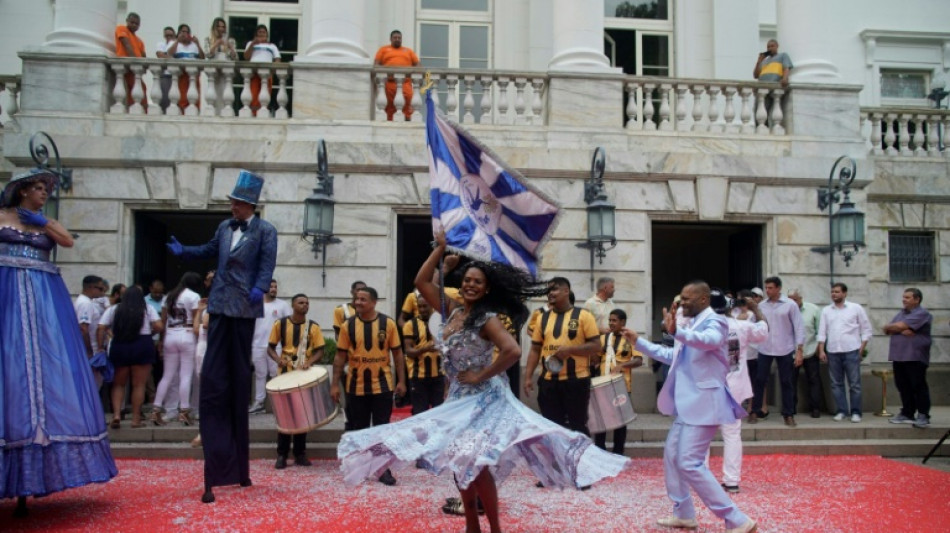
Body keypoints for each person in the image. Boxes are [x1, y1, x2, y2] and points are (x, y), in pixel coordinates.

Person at [338, 232, 629, 533]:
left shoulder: (486, 318)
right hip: (458, 399)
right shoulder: (452, 310)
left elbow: (513, 351)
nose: (471, 285)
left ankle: (493, 529)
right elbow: (422, 282)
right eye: (467, 280)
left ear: (487, 288)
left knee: (475, 464)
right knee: (460, 462)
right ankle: (472, 526)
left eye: (478, 281)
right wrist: (439, 250)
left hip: (486, 398)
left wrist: (480, 375)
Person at [0, 169, 117, 516]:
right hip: (7, 296)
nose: (42, 194)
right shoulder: (2, 217)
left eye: (44, 190)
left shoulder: (45, 222)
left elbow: (66, 241)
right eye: (37, 189)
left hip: (41, 299)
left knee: (45, 370)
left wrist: (41, 221)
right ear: (22, 191)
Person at [166, 170, 278, 504]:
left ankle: (239, 469)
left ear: (250, 205)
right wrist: (184, 250)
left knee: (239, 373)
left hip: (245, 306)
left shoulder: (265, 230)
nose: (232, 207)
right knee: (215, 376)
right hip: (220, 304)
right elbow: (209, 250)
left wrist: (260, 286)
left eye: (237, 203)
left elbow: (267, 262)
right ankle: (217, 464)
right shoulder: (224, 228)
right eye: (231, 202)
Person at [621, 281, 756, 533]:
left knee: (689, 462)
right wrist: (638, 342)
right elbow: (674, 356)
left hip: (705, 404)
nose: (681, 303)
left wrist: (677, 333)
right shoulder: (691, 324)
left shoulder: (716, 322)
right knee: (673, 458)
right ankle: (684, 513)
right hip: (687, 405)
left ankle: (736, 519)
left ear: (703, 299)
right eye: (681, 298)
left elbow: (709, 341)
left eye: (686, 298)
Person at [332, 286, 406, 486]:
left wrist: (401, 381)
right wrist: (334, 385)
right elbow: (339, 356)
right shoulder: (347, 326)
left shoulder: (387, 323)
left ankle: (383, 470)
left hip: (382, 385)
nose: (358, 303)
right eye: (357, 299)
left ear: (374, 302)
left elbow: (398, 354)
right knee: (360, 428)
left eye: (363, 300)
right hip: (355, 386)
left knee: (382, 429)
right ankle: (362, 468)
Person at [524, 277, 601, 438]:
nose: (550, 293)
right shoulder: (541, 318)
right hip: (548, 382)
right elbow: (535, 349)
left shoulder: (583, 316)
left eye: (554, 289)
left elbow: (596, 346)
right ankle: (557, 462)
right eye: (548, 290)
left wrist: (570, 350)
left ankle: (582, 461)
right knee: (551, 426)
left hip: (576, 381)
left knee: (578, 425)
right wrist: (528, 377)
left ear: (567, 291)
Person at [717, 291, 768, 494]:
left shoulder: (701, 326)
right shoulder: (742, 326)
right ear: (730, 308)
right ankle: (731, 481)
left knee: (701, 434)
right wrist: (756, 309)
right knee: (732, 433)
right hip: (734, 386)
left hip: (708, 387)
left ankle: (700, 478)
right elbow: (764, 331)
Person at [267, 294, 325, 469]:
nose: (304, 305)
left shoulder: (313, 327)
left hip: (302, 374)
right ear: (293, 305)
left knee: (303, 414)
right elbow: (270, 347)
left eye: (307, 303)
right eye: (301, 303)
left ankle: (300, 453)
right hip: (285, 374)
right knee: (284, 415)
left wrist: (310, 362)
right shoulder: (281, 324)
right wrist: (278, 360)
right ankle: (281, 454)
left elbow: (320, 350)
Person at [97, 285, 164, 429]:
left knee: (119, 384)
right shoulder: (147, 309)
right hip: (142, 344)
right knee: (139, 385)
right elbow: (159, 325)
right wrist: (151, 334)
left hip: (120, 345)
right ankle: (135, 419)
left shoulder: (114, 309)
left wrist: (100, 346)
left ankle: (116, 415)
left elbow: (101, 327)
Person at [150, 272, 202, 426]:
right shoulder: (194, 296)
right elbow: (195, 321)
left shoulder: (169, 296)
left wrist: (161, 340)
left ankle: (156, 410)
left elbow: (164, 320)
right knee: (186, 376)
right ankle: (184, 411)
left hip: (170, 335)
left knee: (167, 376)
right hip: (187, 335)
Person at [750, 276, 803, 427]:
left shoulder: (790, 305)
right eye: (766, 288)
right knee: (759, 380)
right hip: (765, 348)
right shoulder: (761, 306)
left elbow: (798, 327)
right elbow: (753, 325)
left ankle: (788, 414)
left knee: (786, 381)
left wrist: (799, 350)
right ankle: (755, 410)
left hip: (785, 348)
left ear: (779, 288)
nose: (768, 290)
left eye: (771, 288)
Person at [817, 283, 872, 423]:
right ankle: (841, 410)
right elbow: (822, 331)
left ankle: (856, 412)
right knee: (836, 384)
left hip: (851, 350)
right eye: (832, 292)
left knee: (854, 384)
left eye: (837, 291)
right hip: (833, 351)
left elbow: (866, 329)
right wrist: (821, 350)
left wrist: (861, 347)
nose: (834, 294)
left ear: (845, 293)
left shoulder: (855, 308)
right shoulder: (826, 310)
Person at [591, 309, 643, 454]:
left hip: (621, 385)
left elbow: (639, 361)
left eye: (614, 320)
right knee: (601, 419)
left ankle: (618, 452)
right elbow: (595, 358)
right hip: (602, 383)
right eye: (610, 320)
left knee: (620, 421)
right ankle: (599, 451)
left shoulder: (631, 339)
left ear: (623, 322)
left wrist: (622, 365)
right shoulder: (604, 338)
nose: (611, 323)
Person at [884, 288, 933, 428]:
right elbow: (886, 329)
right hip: (899, 357)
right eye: (903, 297)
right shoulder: (901, 313)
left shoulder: (922, 314)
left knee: (918, 386)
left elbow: (900, 326)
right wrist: (897, 328)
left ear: (917, 299)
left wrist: (898, 327)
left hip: (915, 356)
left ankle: (923, 415)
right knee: (903, 386)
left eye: (907, 297)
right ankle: (907, 413)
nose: (903, 299)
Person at [249, 279, 292, 414]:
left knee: (276, 374)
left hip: (276, 346)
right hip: (257, 344)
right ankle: (259, 403)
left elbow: (290, 324)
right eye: (271, 287)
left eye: (275, 287)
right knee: (260, 374)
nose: (273, 289)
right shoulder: (255, 304)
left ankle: (279, 403)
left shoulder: (282, 305)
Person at [403, 295, 444, 416]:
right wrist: (424, 349)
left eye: (425, 306)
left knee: (440, 413)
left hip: (439, 376)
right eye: (419, 307)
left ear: (431, 305)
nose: (422, 309)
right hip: (418, 376)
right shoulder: (410, 325)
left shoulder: (442, 322)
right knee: (420, 413)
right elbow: (408, 351)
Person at [787, 288, 823, 418]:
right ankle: (791, 408)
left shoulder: (813, 309)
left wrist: (820, 349)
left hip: (810, 350)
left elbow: (820, 331)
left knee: (813, 380)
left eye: (794, 299)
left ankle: (815, 408)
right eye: (789, 299)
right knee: (790, 381)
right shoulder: (786, 311)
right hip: (791, 352)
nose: (792, 302)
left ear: (801, 298)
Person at [374, 29, 420, 121]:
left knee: (408, 104)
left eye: (399, 38)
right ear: (390, 39)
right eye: (395, 38)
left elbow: (418, 64)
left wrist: (422, 77)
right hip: (389, 84)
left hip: (405, 84)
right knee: (389, 106)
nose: (397, 39)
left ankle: (407, 121)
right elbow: (376, 64)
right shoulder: (383, 50)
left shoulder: (408, 51)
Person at [75, 275, 108, 385]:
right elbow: (83, 329)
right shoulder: (86, 304)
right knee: (93, 383)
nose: (102, 292)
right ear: (91, 287)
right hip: (90, 349)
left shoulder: (83, 301)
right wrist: (89, 351)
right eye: (100, 289)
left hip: (88, 348)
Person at [166, 23, 206, 112]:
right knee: (181, 99)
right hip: (180, 76)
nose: (185, 34)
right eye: (183, 32)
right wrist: (177, 41)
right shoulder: (174, 43)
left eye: (187, 32)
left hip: (193, 76)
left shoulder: (194, 45)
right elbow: (169, 54)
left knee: (194, 99)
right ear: (178, 33)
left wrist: (198, 44)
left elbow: (202, 57)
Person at [243, 24, 281, 116]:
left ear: (267, 35)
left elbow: (277, 59)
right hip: (253, 74)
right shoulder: (250, 44)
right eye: (259, 32)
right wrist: (253, 43)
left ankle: (263, 114)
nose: (261, 34)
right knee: (253, 95)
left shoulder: (272, 46)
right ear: (256, 34)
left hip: (267, 75)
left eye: (263, 32)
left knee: (265, 96)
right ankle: (253, 114)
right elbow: (246, 57)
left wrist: (273, 70)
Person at [114, 12, 146, 108]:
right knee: (134, 87)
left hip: (136, 68)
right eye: (132, 22)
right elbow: (127, 45)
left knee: (140, 87)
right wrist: (135, 63)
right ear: (127, 21)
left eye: (137, 24)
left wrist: (143, 66)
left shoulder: (139, 40)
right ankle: (134, 107)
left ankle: (141, 108)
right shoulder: (121, 29)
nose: (134, 25)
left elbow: (143, 55)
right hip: (127, 65)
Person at [155, 26, 176, 110]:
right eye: (167, 35)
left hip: (176, 75)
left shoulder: (177, 45)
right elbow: (160, 55)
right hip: (165, 75)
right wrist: (171, 57)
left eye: (171, 35)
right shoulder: (161, 44)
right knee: (164, 99)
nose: (169, 37)